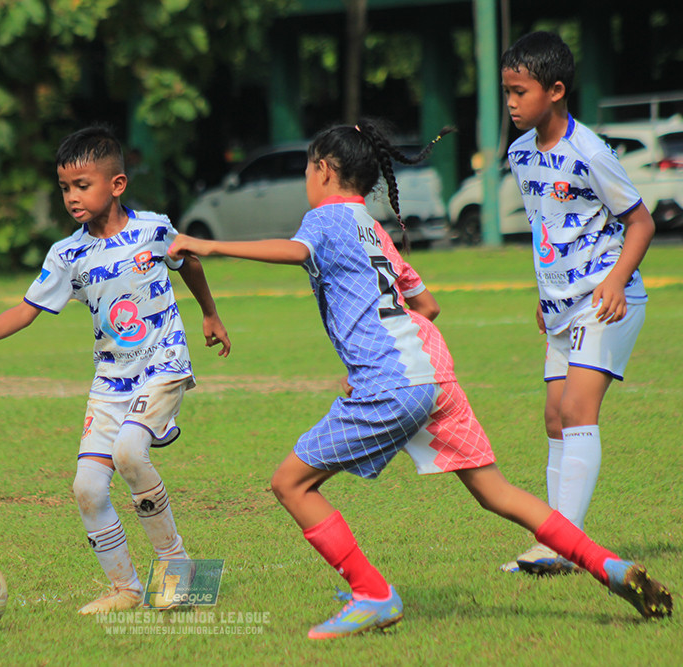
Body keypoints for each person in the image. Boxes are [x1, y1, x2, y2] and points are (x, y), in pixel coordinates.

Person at [167, 120, 673, 638]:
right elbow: (425, 306)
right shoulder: (372, 227)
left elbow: (296, 251)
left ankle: (373, 595)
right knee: (496, 492)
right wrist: (381, 352)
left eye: (306, 168)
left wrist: (207, 246)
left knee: (290, 483)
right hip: (431, 374)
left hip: (392, 385)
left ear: (322, 169)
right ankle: (608, 567)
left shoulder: (323, 219)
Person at [0, 125, 231, 615]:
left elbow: (190, 262)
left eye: (82, 185)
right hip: (110, 379)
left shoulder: (153, 229)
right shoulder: (67, 253)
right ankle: (126, 588)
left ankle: (180, 573)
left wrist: (209, 313)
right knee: (87, 487)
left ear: (116, 185)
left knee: (130, 455)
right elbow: (27, 308)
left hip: (163, 364)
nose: (72, 197)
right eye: (64, 188)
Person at [498, 31, 656, 574]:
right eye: (507, 93)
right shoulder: (520, 154)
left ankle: (561, 544)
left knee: (575, 410)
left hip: (607, 300)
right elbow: (548, 229)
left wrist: (614, 281)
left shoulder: (589, 151)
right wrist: (545, 297)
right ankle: (559, 542)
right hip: (561, 305)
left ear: (556, 90)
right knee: (553, 418)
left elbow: (641, 221)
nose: (512, 103)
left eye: (520, 92)